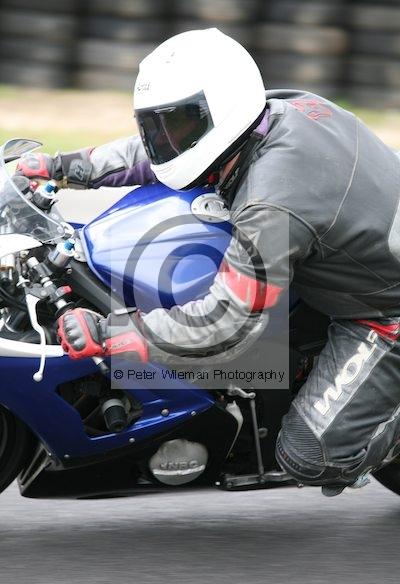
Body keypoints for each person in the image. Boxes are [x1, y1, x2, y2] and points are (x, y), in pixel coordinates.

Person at [17, 28, 400, 496]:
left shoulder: (270, 204)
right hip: (358, 253)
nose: (162, 137)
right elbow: (161, 153)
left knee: (311, 456)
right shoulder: (279, 109)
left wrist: (112, 333)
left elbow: (227, 322)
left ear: (222, 109)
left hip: (384, 311)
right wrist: (61, 166)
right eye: (156, 125)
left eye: (176, 123)